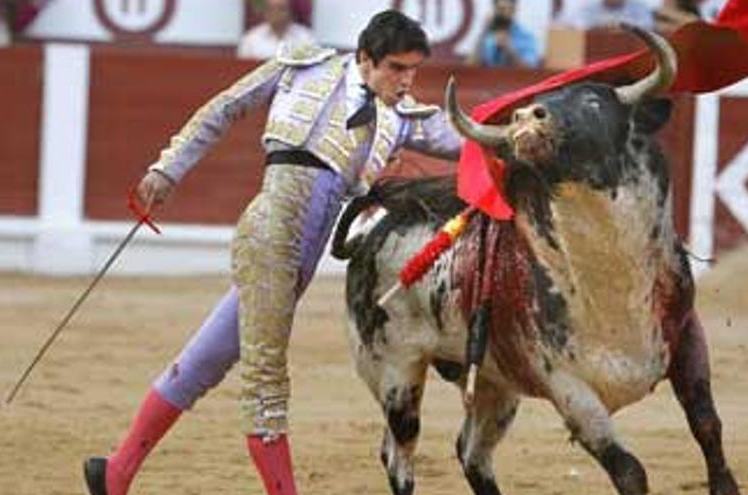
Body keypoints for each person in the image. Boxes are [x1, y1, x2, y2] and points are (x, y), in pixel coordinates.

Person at [83, 10, 463, 495]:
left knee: (203, 361)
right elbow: (225, 106)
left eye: (413, 70)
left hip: (299, 255)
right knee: (266, 383)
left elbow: (466, 137)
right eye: (396, 68)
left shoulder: (403, 119)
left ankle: (115, 473)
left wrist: (523, 129)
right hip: (270, 238)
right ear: (365, 58)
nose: (406, 81)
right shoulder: (302, 66)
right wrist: (168, 168)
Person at [468, 0, 541, 68]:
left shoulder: (526, 37)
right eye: (499, 9)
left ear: (514, 9)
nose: (501, 14)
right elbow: (470, 66)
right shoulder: (486, 35)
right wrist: (483, 33)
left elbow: (530, 70)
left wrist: (509, 49)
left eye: (505, 9)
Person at [237, 0, 317, 60]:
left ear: (290, 12)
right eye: (271, 9)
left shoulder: (305, 37)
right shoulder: (250, 38)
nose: (275, 13)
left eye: (281, 9)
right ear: (265, 12)